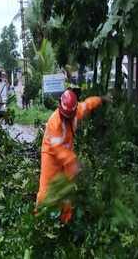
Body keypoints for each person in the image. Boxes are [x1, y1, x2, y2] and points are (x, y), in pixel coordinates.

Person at [35, 88, 111, 223]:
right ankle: (40, 220)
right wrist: (73, 162)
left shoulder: (76, 111)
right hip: (51, 155)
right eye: (65, 116)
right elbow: (57, 149)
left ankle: (65, 220)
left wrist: (101, 99)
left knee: (67, 191)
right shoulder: (54, 123)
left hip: (68, 156)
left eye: (70, 116)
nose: (67, 119)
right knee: (46, 191)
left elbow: (88, 104)